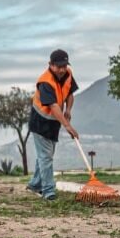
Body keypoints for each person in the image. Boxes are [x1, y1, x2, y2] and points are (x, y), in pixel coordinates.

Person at [26, 49, 79, 201]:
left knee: (45, 156)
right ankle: (49, 191)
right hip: (40, 122)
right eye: (58, 66)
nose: (62, 69)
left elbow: (70, 94)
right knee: (46, 156)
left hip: (54, 122)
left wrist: (68, 110)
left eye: (64, 65)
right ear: (50, 65)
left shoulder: (67, 74)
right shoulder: (45, 82)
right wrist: (67, 126)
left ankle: (35, 184)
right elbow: (54, 106)